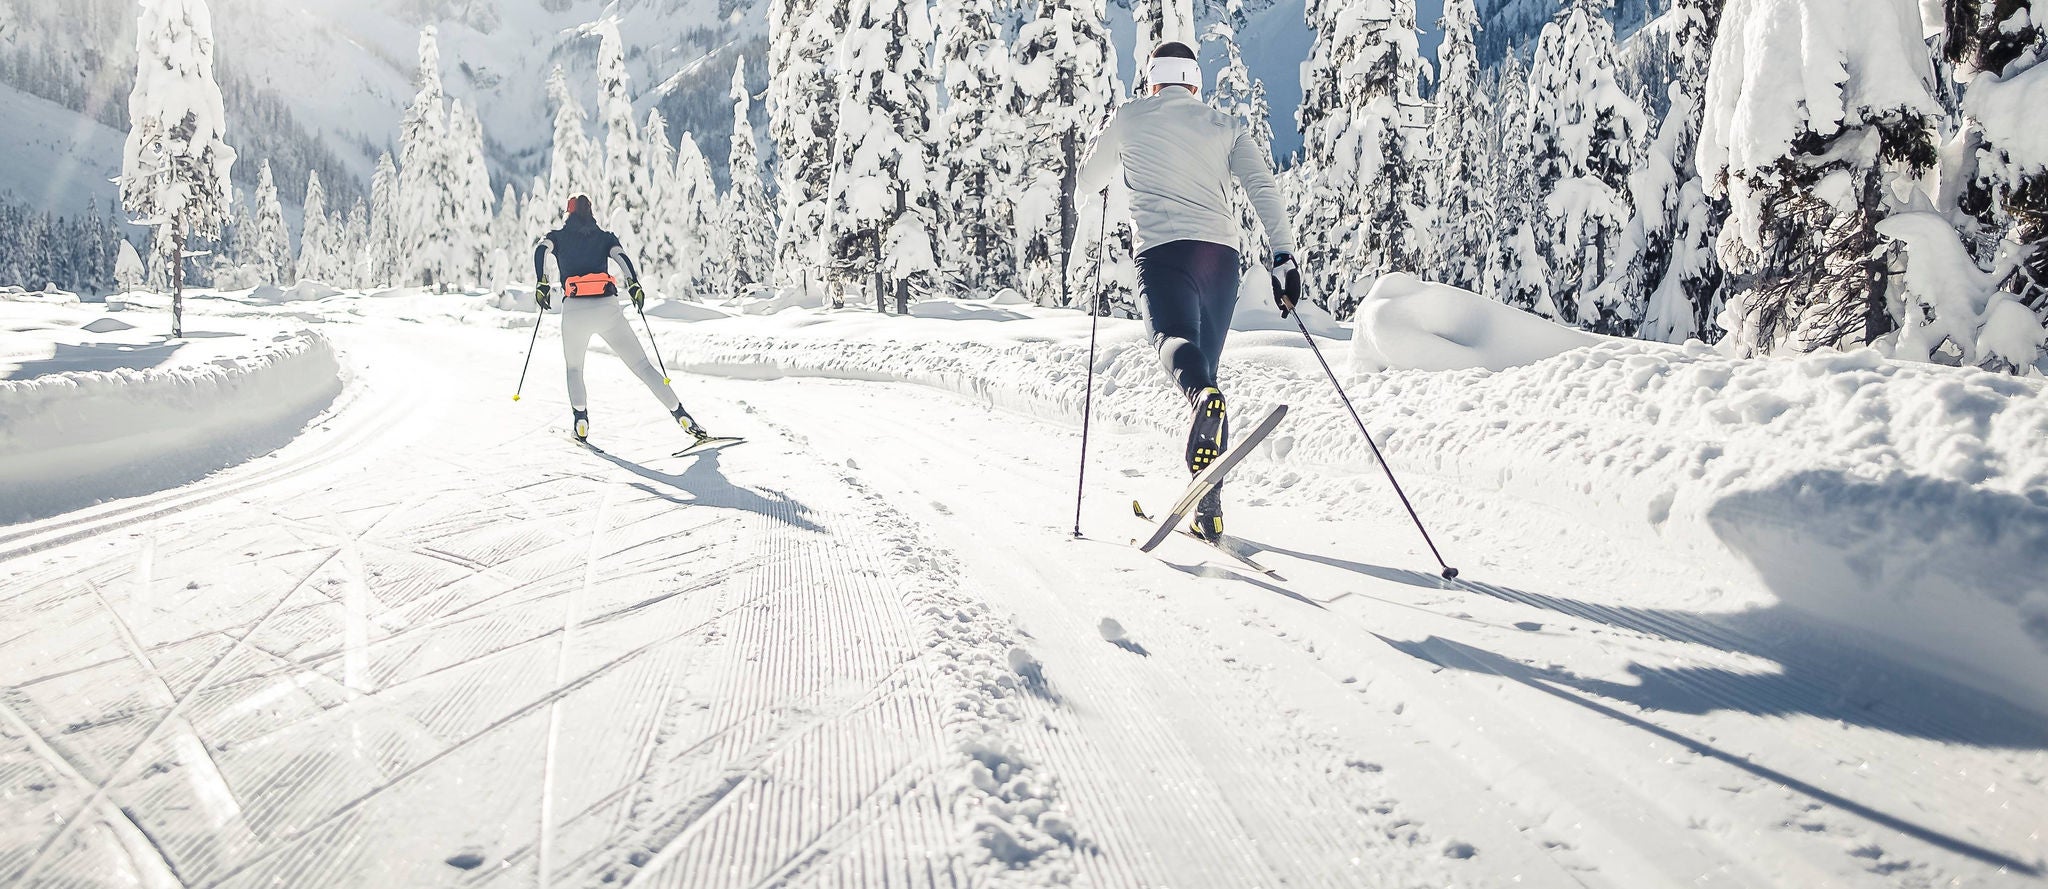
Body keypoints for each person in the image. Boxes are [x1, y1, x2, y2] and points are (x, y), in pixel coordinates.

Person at [1078, 41, 1304, 542]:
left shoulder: (1130, 117)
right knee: (1209, 374)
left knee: (1174, 345)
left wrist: (1111, 164)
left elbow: (1088, 180)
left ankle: (1201, 399)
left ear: (1153, 80)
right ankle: (1210, 510)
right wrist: (1283, 255)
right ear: (1194, 82)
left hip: (1162, 255)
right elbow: (1263, 187)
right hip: (1220, 262)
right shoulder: (1224, 126)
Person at [533, 194, 716, 445]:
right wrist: (633, 286)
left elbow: (541, 250)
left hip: (574, 310)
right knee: (642, 366)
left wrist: (541, 281)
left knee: (574, 368)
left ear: (568, 214)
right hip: (607, 308)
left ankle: (581, 421)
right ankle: (681, 414)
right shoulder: (605, 237)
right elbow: (621, 258)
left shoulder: (557, 236)